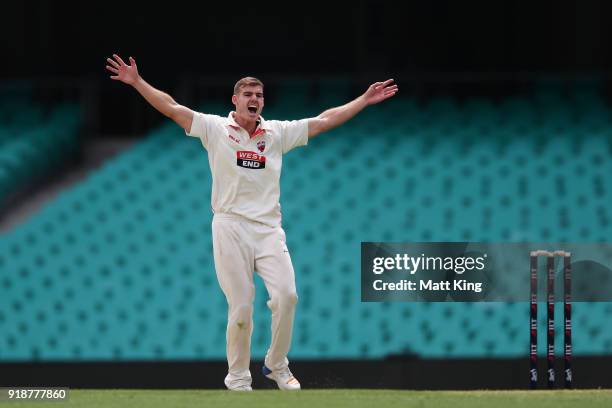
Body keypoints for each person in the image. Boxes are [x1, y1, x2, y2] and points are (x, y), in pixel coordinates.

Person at [105, 54, 398, 391]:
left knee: (288, 296)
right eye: (248, 95)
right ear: (235, 100)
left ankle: (276, 364)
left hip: (268, 229)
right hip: (229, 226)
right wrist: (138, 82)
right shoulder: (215, 129)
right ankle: (239, 379)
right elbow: (172, 107)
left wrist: (363, 99)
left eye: (259, 95)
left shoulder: (275, 134)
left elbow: (323, 120)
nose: (254, 100)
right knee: (242, 307)